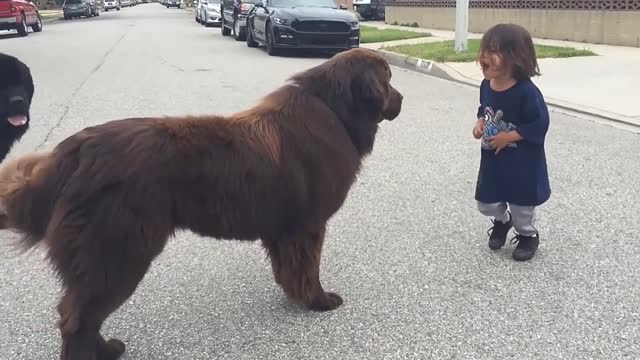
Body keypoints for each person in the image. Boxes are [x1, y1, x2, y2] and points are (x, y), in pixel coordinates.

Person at [472, 23, 551, 261]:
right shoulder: (487, 85)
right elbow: (485, 109)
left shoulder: (527, 92)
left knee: (521, 207)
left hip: (521, 162)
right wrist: (480, 123)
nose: (484, 56)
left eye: (493, 51)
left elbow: (540, 123)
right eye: (484, 49)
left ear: (516, 57)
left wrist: (509, 136)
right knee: (486, 202)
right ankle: (502, 221)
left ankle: (527, 235)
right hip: (493, 159)